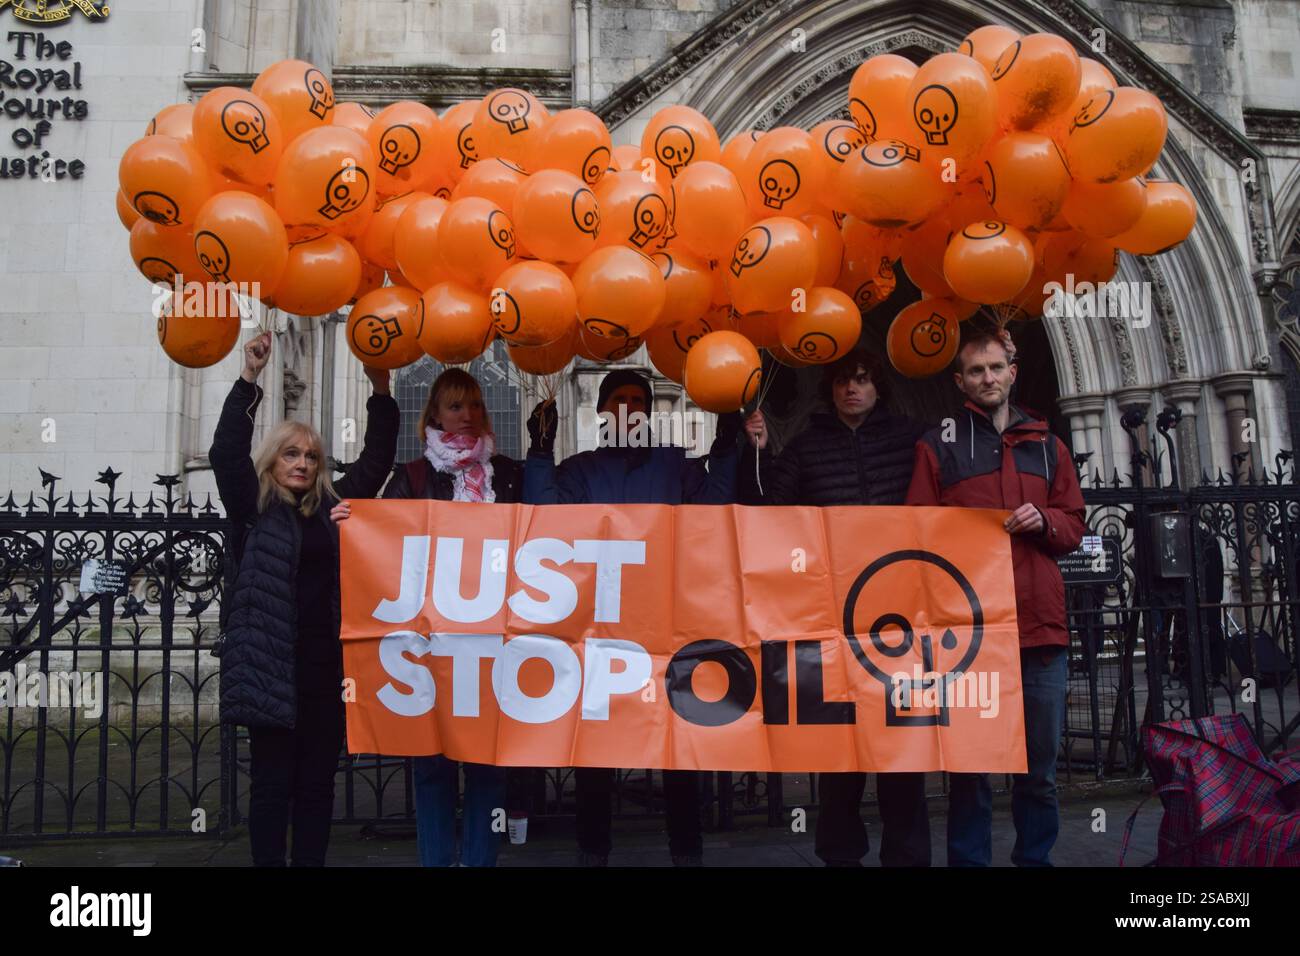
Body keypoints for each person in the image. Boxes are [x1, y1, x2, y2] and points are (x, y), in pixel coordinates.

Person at [524, 368, 743, 866]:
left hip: (667, 627)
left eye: (637, 400)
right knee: (596, 754)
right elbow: (546, 518)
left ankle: (687, 853)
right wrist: (540, 453)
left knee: (676, 750)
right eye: (617, 399)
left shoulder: (677, 469)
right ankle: (592, 852)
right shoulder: (579, 470)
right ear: (602, 411)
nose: (628, 407)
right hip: (600, 632)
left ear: (647, 411)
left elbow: (714, 510)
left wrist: (727, 445)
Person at [210, 330, 399, 866]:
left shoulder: (331, 508)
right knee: (272, 790)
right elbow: (226, 454)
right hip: (269, 668)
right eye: (291, 454)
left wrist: (380, 388)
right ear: (272, 460)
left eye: (312, 456)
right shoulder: (251, 509)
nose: (303, 463)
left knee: (317, 789)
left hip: (323, 669)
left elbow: (376, 461)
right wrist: (249, 378)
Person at [740, 348, 932, 867]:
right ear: (830, 390)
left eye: (864, 379)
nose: (853, 389)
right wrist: (756, 451)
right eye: (844, 381)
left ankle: (907, 858)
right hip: (833, 622)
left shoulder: (912, 440)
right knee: (839, 753)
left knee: (902, 751)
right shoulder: (804, 448)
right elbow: (772, 514)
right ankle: (840, 857)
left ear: (878, 388)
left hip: (899, 623)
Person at [905, 323, 1086, 867]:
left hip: (1038, 631)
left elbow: (1075, 524)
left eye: (994, 367)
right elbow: (918, 531)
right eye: (975, 370)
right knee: (970, 773)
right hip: (970, 635)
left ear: (1013, 372)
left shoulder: (1049, 447)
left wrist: (1046, 520)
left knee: (1040, 772)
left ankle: (1035, 860)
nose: (987, 377)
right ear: (960, 380)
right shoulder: (937, 445)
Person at [369, 367, 522, 867]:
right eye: (456, 406)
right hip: (429, 643)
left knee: (486, 764)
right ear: (433, 413)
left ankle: (478, 861)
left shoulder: (510, 475)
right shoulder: (411, 478)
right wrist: (353, 522)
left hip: (493, 643)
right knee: (431, 765)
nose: (468, 416)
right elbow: (384, 546)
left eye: (475, 405)